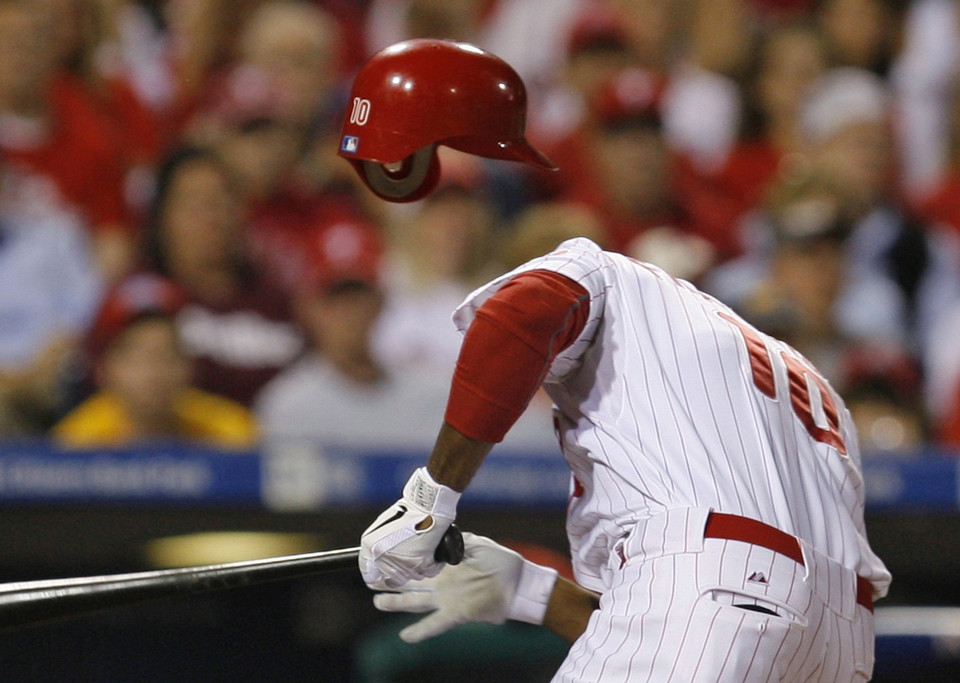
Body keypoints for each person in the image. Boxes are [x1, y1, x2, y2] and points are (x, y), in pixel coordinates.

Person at [341, 39, 891, 682]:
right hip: (839, 647)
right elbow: (735, 599)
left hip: (713, 602)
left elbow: (521, 313)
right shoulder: (806, 382)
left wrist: (430, 499)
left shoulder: (608, 273)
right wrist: (529, 590)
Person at [52, 273, 257, 448]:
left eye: (167, 354)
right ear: (103, 369)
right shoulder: (76, 443)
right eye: (137, 356)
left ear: (190, 365)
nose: (153, 371)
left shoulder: (231, 434)